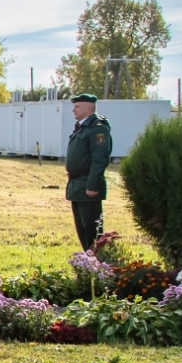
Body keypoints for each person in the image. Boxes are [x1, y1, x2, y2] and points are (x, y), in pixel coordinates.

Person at [64, 93, 112, 251]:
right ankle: (87, 264)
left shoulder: (97, 128)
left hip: (87, 186)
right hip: (77, 185)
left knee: (93, 231)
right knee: (82, 230)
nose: (73, 110)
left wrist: (92, 185)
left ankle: (98, 265)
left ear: (88, 108)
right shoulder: (82, 127)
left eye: (77, 106)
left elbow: (100, 159)